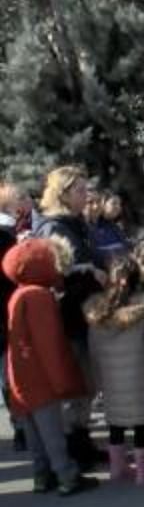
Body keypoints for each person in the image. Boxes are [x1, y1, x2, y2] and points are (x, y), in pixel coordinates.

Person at [3, 238, 99, 496]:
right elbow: (49, 343)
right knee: (51, 431)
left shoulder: (18, 293)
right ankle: (67, 476)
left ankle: (41, 476)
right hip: (40, 376)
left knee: (33, 431)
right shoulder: (39, 297)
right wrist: (62, 379)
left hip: (20, 374)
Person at [31, 166, 105, 472]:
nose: (86, 196)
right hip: (69, 315)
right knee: (73, 381)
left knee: (86, 380)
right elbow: (57, 273)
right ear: (63, 194)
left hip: (84, 312)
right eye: (79, 191)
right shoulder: (53, 227)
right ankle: (75, 445)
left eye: (86, 190)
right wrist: (88, 271)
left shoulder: (75, 223)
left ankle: (83, 439)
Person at [83, 256, 144, 486]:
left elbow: (93, 350)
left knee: (115, 425)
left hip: (110, 380)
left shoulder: (96, 313)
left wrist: (97, 379)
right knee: (141, 426)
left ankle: (116, 469)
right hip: (141, 377)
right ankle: (143, 473)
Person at [0, 182, 24, 452]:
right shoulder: (6, 234)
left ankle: (21, 424)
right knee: (10, 373)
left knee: (9, 374)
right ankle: (21, 425)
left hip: (10, 309)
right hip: (8, 311)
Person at [91, 192, 131, 259]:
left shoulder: (114, 226)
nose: (118, 207)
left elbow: (126, 245)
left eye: (119, 204)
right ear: (103, 204)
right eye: (114, 203)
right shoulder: (95, 225)